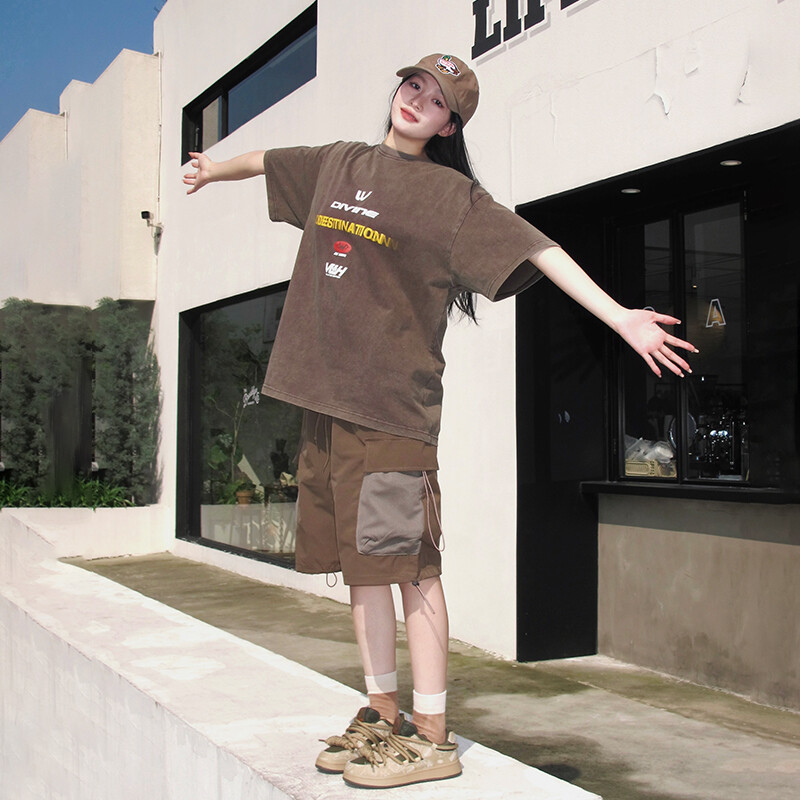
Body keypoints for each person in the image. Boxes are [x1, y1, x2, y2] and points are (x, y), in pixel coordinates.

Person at [184, 53, 696, 789]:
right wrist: (214, 168)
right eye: (414, 85)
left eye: (436, 100)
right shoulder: (339, 162)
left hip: (391, 412)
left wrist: (619, 317)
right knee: (362, 573)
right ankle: (381, 713)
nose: (417, 100)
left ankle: (431, 733)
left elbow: (539, 248)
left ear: (450, 125)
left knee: (410, 569)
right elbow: (268, 160)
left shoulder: (453, 199)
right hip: (324, 405)